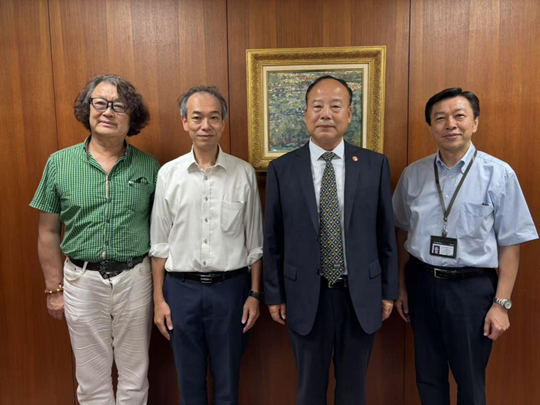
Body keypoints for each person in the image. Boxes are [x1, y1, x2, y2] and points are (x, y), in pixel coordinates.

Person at [393, 87, 538, 404]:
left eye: (459, 116)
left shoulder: (498, 174)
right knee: (427, 376)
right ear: (431, 126)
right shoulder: (413, 175)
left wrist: (501, 304)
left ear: (475, 122)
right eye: (440, 118)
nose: (450, 125)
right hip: (421, 284)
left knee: (470, 380)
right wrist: (402, 287)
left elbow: (510, 245)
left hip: (472, 290)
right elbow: (402, 234)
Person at [263, 75, 398, 405]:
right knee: (309, 390)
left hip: (360, 295)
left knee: (353, 391)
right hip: (305, 296)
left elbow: (386, 234)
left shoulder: (375, 164)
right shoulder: (282, 169)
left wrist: (388, 291)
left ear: (349, 114)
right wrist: (274, 294)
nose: (326, 114)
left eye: (335, 106)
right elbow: (273, 238)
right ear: (306, 114)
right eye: (318, 106)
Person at [30, 74, 160, 404]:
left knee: (135, 376)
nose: (108, 111)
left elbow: (162, 231)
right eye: (100, 103)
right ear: (87, 110)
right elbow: (47, 231)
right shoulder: (59, 163)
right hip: (81, 280)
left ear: (132, 116)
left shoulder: (150, 167)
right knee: (91, 380)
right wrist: (54, 289)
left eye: (119, 105)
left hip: (135, 278)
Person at [150, 86, 263, 405]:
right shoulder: (168, 174)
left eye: (214, 117)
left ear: (223, 123)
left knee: (228, 381)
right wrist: (159, 300)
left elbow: (255, 242)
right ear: (184, 122)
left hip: (231, 291)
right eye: (197, 117)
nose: (205, 125)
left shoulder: (242, 173)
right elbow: (159, 244)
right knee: (189, 383)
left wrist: (254, 295)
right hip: (180, 291)